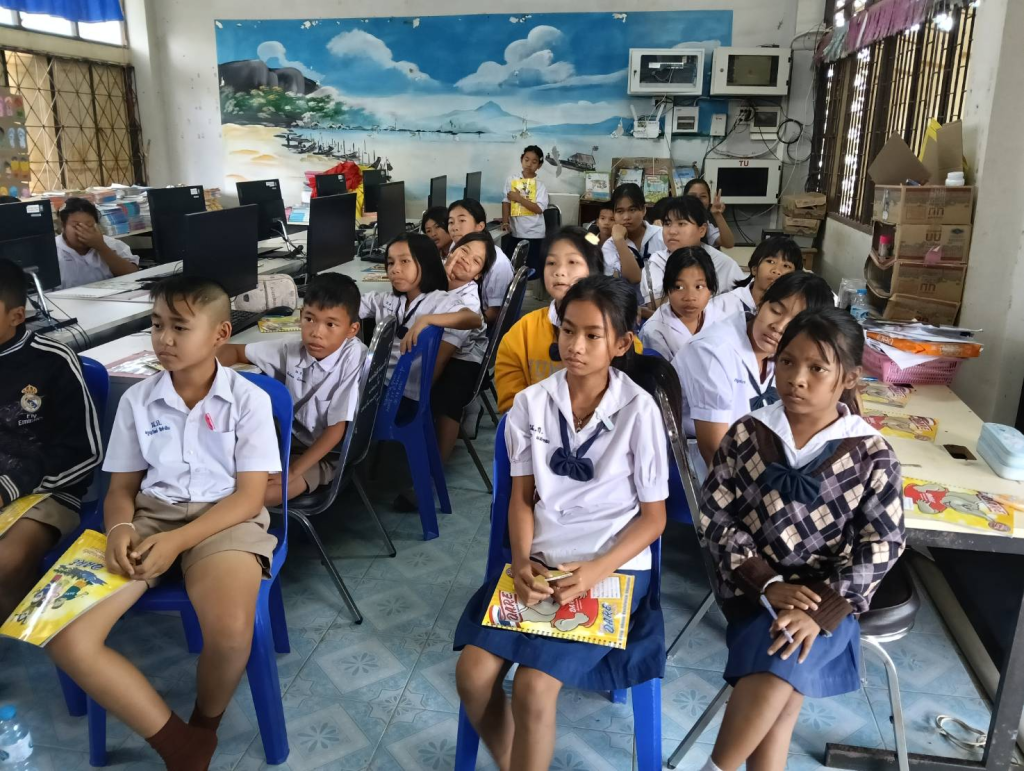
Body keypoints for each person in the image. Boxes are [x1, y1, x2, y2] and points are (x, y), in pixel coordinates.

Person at [46, 276, 283, 770]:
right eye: (156, 325)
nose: (164, 339)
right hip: (151, 516)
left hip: (226, 520)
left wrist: (178, 542)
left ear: (220, 334)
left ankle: (203, 726)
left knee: (231, 634)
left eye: (179, 327)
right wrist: (119, 530)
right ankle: (180, 745)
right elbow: (120, 491)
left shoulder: (249, 400)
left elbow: (248, 497)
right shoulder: (137, 400)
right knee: (66, 636)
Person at [455, 275, 676, 771]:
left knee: (534, 687)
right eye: (568, 330)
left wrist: (595, 571)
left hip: (613, 568)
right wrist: (521, 561)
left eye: (593, 335)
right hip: (541, 562)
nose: (575, 345)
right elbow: (520, 501)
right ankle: (512, 761)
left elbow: (654, 519)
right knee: (472, 674)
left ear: (621, 344)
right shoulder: (531, 404)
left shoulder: (639, 411)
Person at [698, 307, 905, 771]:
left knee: (784, 665)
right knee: (782, 671)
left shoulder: (872, 454)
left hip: (828, 602)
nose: (796, 379)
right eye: (787, 362)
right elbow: (715, 514)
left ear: (848, 378)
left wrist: (820, 608)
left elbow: (883, 542)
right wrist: (767, 584)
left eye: (817, 368)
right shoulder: (748, 433)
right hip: (752, 593)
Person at [0, 258, 103, 619]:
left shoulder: (53, 360)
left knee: (6, 561)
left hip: (45, 492)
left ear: (16, 316)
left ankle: (16, 638)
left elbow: (84, 452)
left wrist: (9, 487)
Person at [217, 273, 366, 505]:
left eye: (330, 324)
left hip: (328, 454)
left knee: (262, 495)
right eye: (310, 319)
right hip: (288, 444)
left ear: (351, 330)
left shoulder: (354, 357)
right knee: (225, 482)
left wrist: (293, 472)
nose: (316, 332)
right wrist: (201, 366)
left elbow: (336, 431)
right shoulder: (294, 349)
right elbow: (236, 351)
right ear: (300, 315)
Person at [675, 272, 833, 467]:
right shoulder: (713, 352)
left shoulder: (788, 355)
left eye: (795, 324)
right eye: (776, 311)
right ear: (760, 303)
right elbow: (713, 450)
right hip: (701, 464)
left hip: (755, 454)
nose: (778, 327)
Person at [495, 227, 640, 413]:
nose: (559, 271)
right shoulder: (522, 332)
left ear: (594, 269)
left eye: (572, 262)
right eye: (551, 263)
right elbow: (512, 407)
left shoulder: (618, 334)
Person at [358, 233, 482, 402]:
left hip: (400, 395)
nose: (395, 269)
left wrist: (426, 319)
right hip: (375, 384)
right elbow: (351, 305)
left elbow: (472, 319)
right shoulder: (389, 299)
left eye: (404, 261)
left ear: (426, 264)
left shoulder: (438, 300)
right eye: (390, 262)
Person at [434, 232, 496, 461]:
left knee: (447, 394)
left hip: (464, 355)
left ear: (477, 275)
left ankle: (437, 467)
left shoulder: (467, 302)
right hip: (435, 346)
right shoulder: (433, 273)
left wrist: (415, 393)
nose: (466, 259)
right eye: (464, 250)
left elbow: (443, 356)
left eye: (476, 260)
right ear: (452, 250)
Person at [641, 196, 745, 309]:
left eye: (681, 224)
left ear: (702, 230)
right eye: (667, 224)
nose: (672, 231)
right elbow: (657, 306)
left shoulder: (723, 263)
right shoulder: (657, 261)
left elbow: (743, 303)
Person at [639, 246, 725, 361]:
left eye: (699, 287)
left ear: (711, 288)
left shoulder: (719, 318)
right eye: (679, 287)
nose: (689, 297)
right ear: (667, 289)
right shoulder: (654, 332)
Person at [448, 198, 513, 324]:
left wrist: (470, 325)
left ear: (480, 226)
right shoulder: (455, 246)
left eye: (462, 220)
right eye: (451, 222)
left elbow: (496, 312)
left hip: (472, 324)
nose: (454, 227)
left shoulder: (498, 263)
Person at [55, 197, 139, 289]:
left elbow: (133, 275)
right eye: (76, 226)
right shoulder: (52, 250)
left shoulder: (111, 244)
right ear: (63, 226)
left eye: (89, 225)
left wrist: (101, 247)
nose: (83, 231)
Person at [713, 236, 803, 318]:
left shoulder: (797, 313)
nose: (776, 270)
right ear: (755, 269)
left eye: (786, 266)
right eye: (770, 261)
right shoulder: (721, 305)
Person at [601, 183, 663, 285]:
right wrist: (619, 241)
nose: (626, 217)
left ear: (643, 210)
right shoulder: (610, 245)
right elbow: (634, 279)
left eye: (632, 210)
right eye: (620, 211)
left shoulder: (661, 235)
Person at [502, 145, 550, 276]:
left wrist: (519, 198)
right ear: (521, 159)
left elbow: (539, 209)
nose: (529, 164)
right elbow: (506, 202)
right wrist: (505, 221)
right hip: (515, 232)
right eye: (526, 160)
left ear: (539, 165)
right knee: (511, 268)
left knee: (531, 271)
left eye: (534, 162)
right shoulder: (512, 180)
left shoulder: (540, 185)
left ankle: (527, 287)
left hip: (534, 234)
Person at [684, 177, 735, 249]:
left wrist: (717, 215)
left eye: (703, 196)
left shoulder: (706, 227)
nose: (698, 200)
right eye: (692, 196)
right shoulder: (673, 220)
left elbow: (729, 244)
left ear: (709, 200)